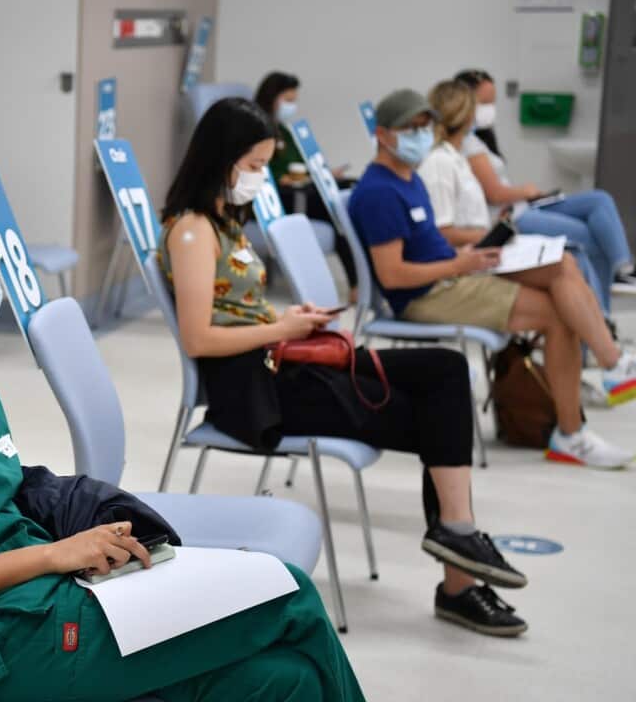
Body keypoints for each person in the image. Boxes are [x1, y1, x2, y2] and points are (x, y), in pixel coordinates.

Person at [0, 198, 365, 701]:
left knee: (288, 679)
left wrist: (76, 552)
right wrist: (55, 554)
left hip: (57, 600)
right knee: (289, 594)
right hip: (5, 647)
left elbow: (5, 505)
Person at [161, 96, 529, 637]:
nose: (263, 180)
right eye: (257, 166)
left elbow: (234, 308)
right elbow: (200, 336)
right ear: (221, 159)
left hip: (281, 359)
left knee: (445, 370)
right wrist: (281, 329)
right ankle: (459, 574)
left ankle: (456, 536)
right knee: (438, 413)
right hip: (254, 388)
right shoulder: (192, 230)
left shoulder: (224, 220)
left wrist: (289, 318)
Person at [349, 89, 636, 469]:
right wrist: (458, 266)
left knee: (562, 263)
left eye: (425, 125)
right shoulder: (378, 192)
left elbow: (431, 244)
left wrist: (466, 257)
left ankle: (602, 382)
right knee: (556, 312)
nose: (421, 134)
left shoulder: (407, 178)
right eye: (410, 128)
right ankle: (584, 412)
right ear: (383, 135)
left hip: (453, 272)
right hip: (427, 294)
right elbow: (394, 275)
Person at [454, 68, 636, 311]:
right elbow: (495, 194)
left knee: (599, 200)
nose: (490, 109)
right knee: (589, 237)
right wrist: (526, 191)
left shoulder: (480, 139)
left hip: (523, 206)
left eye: (492, 102)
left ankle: (623, 270)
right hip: (512, 216)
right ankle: (602, 314)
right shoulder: (467, 145)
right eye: (484, 102)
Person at [254, 71, 359, 298]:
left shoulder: (285, 131)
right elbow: (267, 173)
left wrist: (322, 174)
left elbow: (301, 166)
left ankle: (359, 282)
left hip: (302, 191)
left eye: (294, 101)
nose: (292, 106)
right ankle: (355, 285)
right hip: (283, 198)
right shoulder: (257, 130)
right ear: (271, 97)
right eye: (288, 100)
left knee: (349, 194)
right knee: (336, 214)